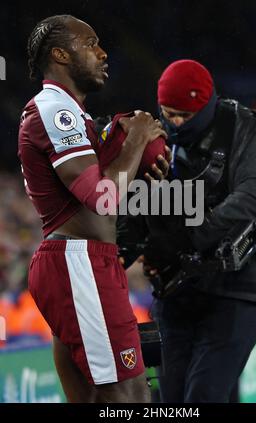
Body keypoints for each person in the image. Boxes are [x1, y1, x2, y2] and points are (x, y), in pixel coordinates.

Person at [18, 14, 170, 403]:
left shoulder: (71, 113)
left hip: (86, 261)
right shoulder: (55, 110)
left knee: (103, 396)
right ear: (60, 54)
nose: (103, 53)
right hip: (78, 262)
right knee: (129, 395)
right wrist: (136, 140)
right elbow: (102, 197)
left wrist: (137, 165)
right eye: (90, 44)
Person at [117, 60, 256, 403]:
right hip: (177, 290)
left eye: (185, 116)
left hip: (236, 286)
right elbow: (136, 206)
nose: (175, 123)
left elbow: (253, 198)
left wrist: (189, 237)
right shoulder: (154, 139)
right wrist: (122, 252)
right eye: (169, 113)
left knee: (204, 395)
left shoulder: (244, 129)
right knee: (173, 400)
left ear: (205, 105)